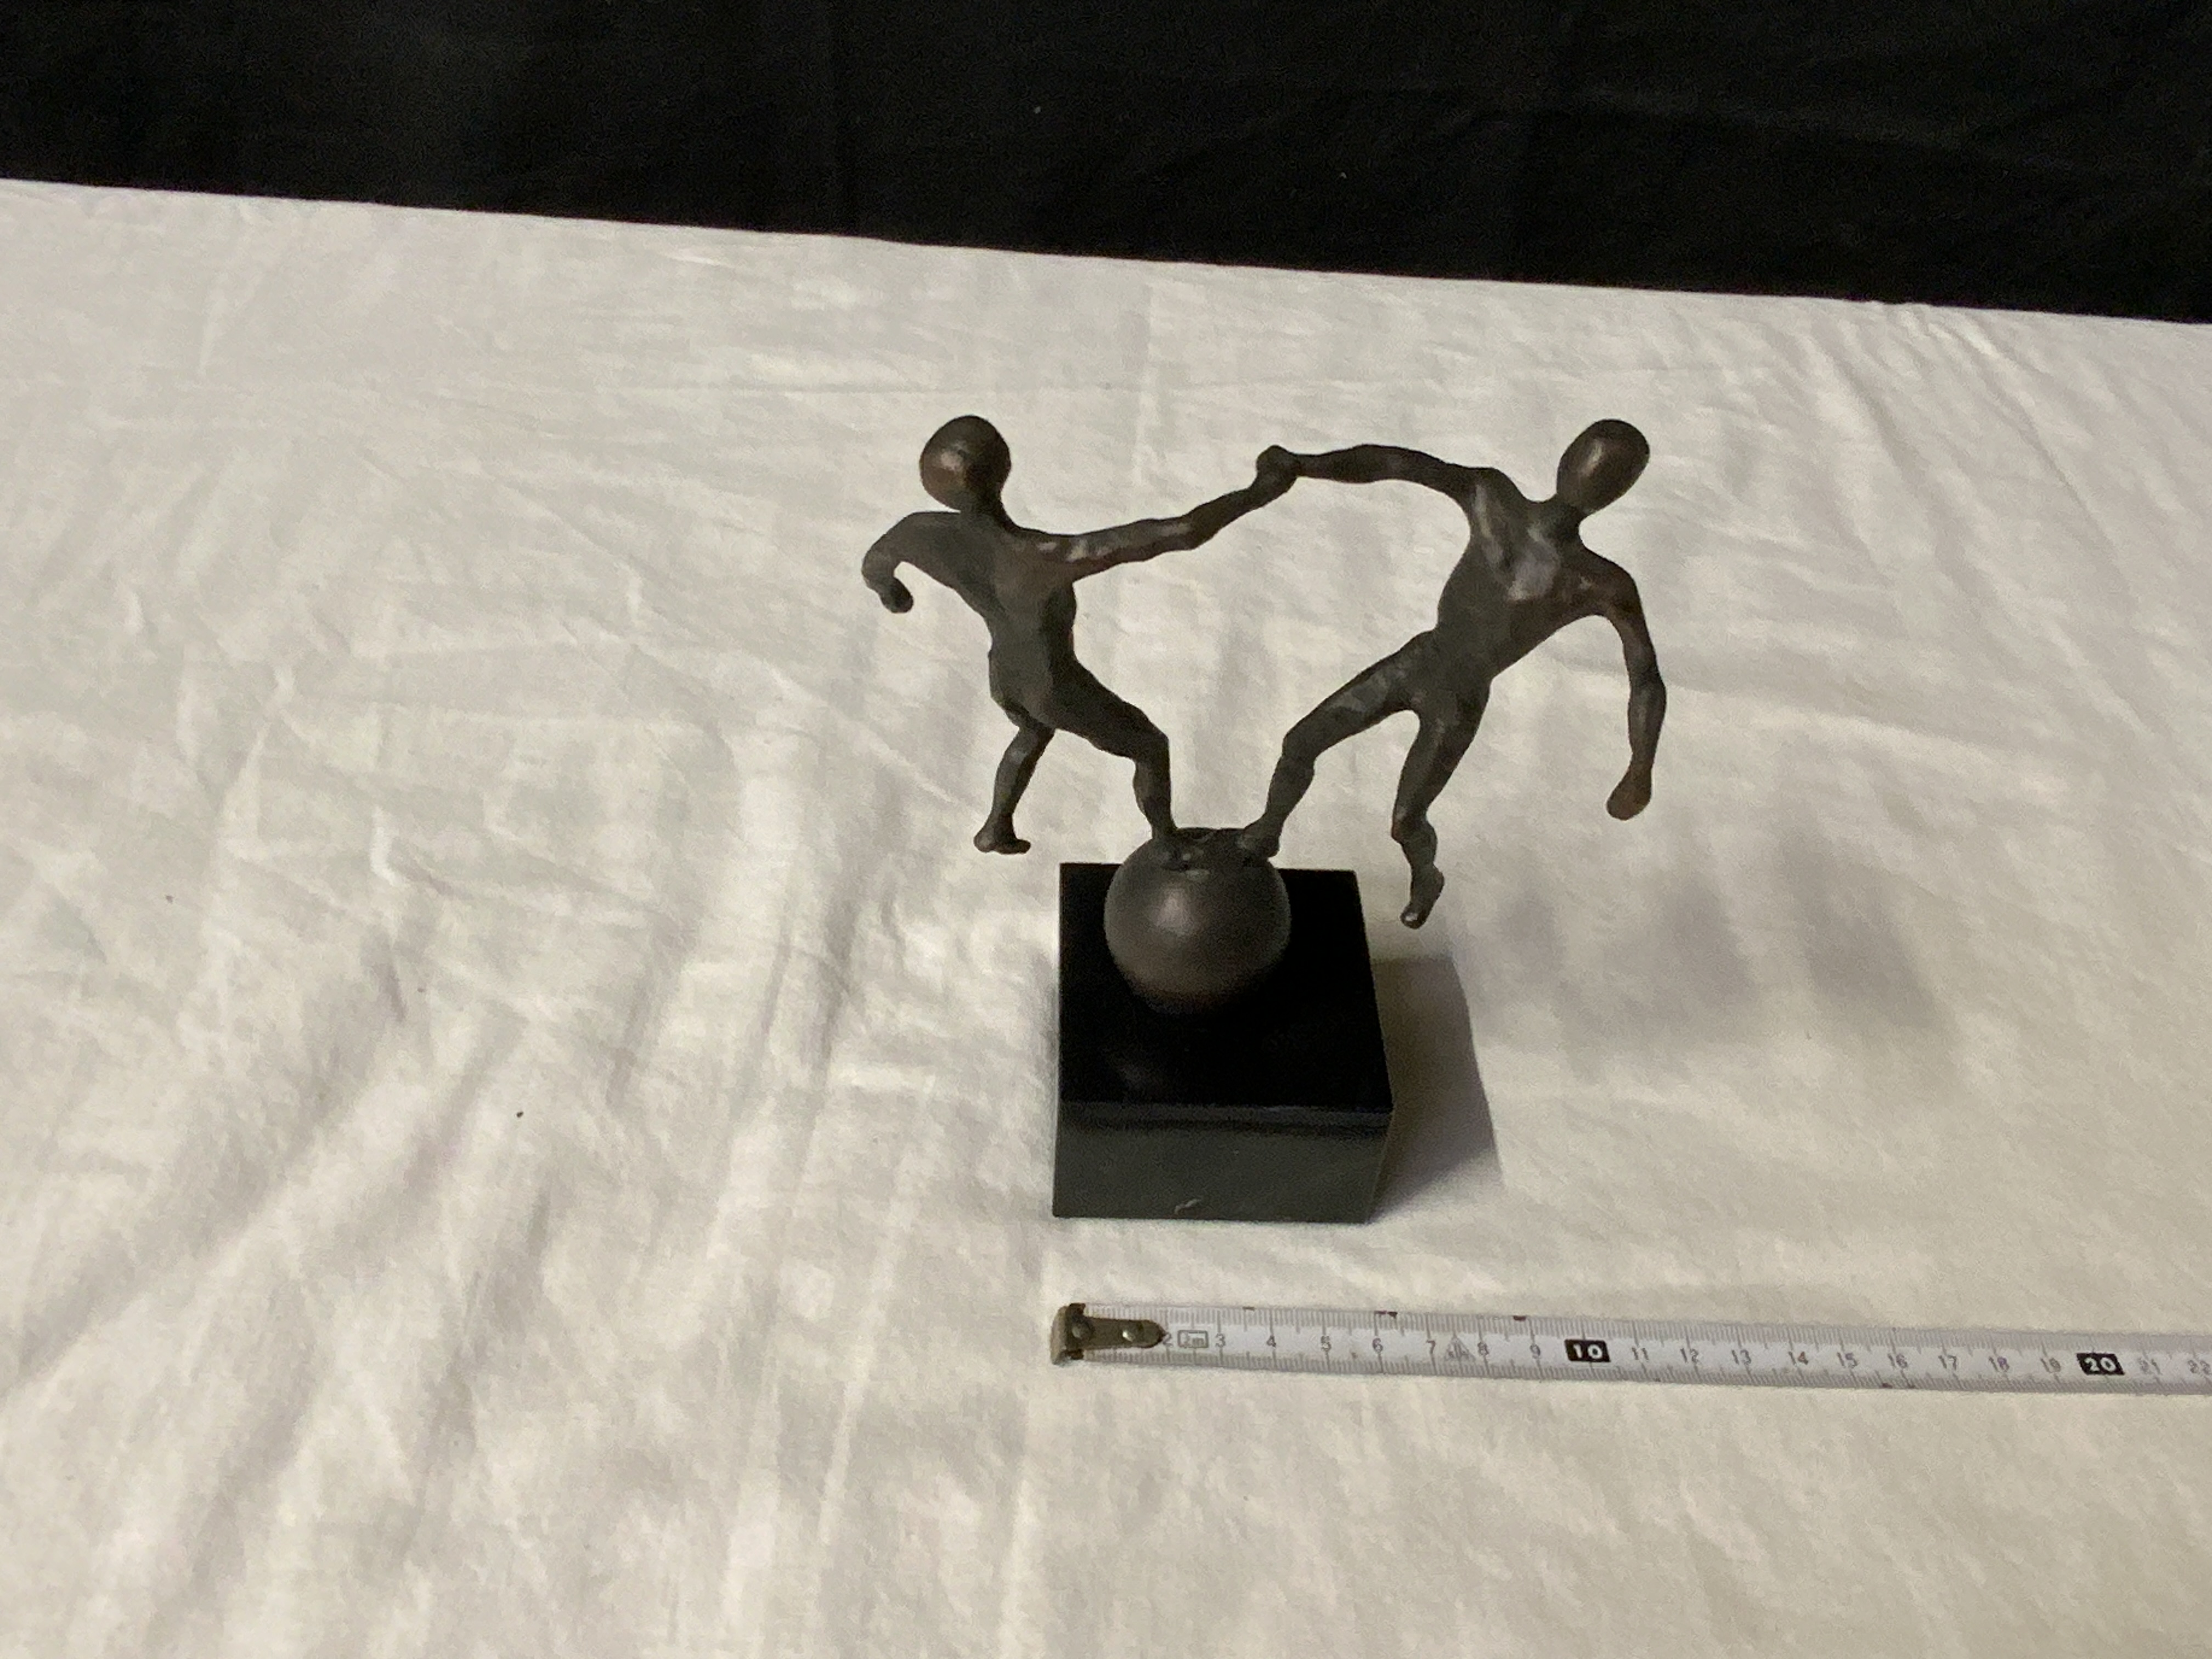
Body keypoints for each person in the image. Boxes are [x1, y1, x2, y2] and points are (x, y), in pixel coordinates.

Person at [1237, 420, 1666, 926]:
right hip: (1419, 660)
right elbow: (1398, 463)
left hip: (1458, 700)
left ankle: (1427, 877)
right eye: (1591, 461)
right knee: (1301, 742)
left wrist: (1641, 769)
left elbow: (1644, 674)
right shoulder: (1493, 497)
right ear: (1569, 458)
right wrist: (1304, 464)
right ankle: (1268, 828)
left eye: (1609, 473)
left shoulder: (1598, 582)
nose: (1591, 478)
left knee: (1406, 821)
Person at [865, 415, 1294, 852]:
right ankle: (1168, 844)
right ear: (1003, 471)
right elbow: (1183, 532)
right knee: (1149, 747)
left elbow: (876, 562)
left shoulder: (919, 533)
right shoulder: (1043, 557)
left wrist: (891, 592)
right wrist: (1261, 490)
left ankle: (995, 827)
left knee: (1032, 732)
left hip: (1005, 674)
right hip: (1054, 684)